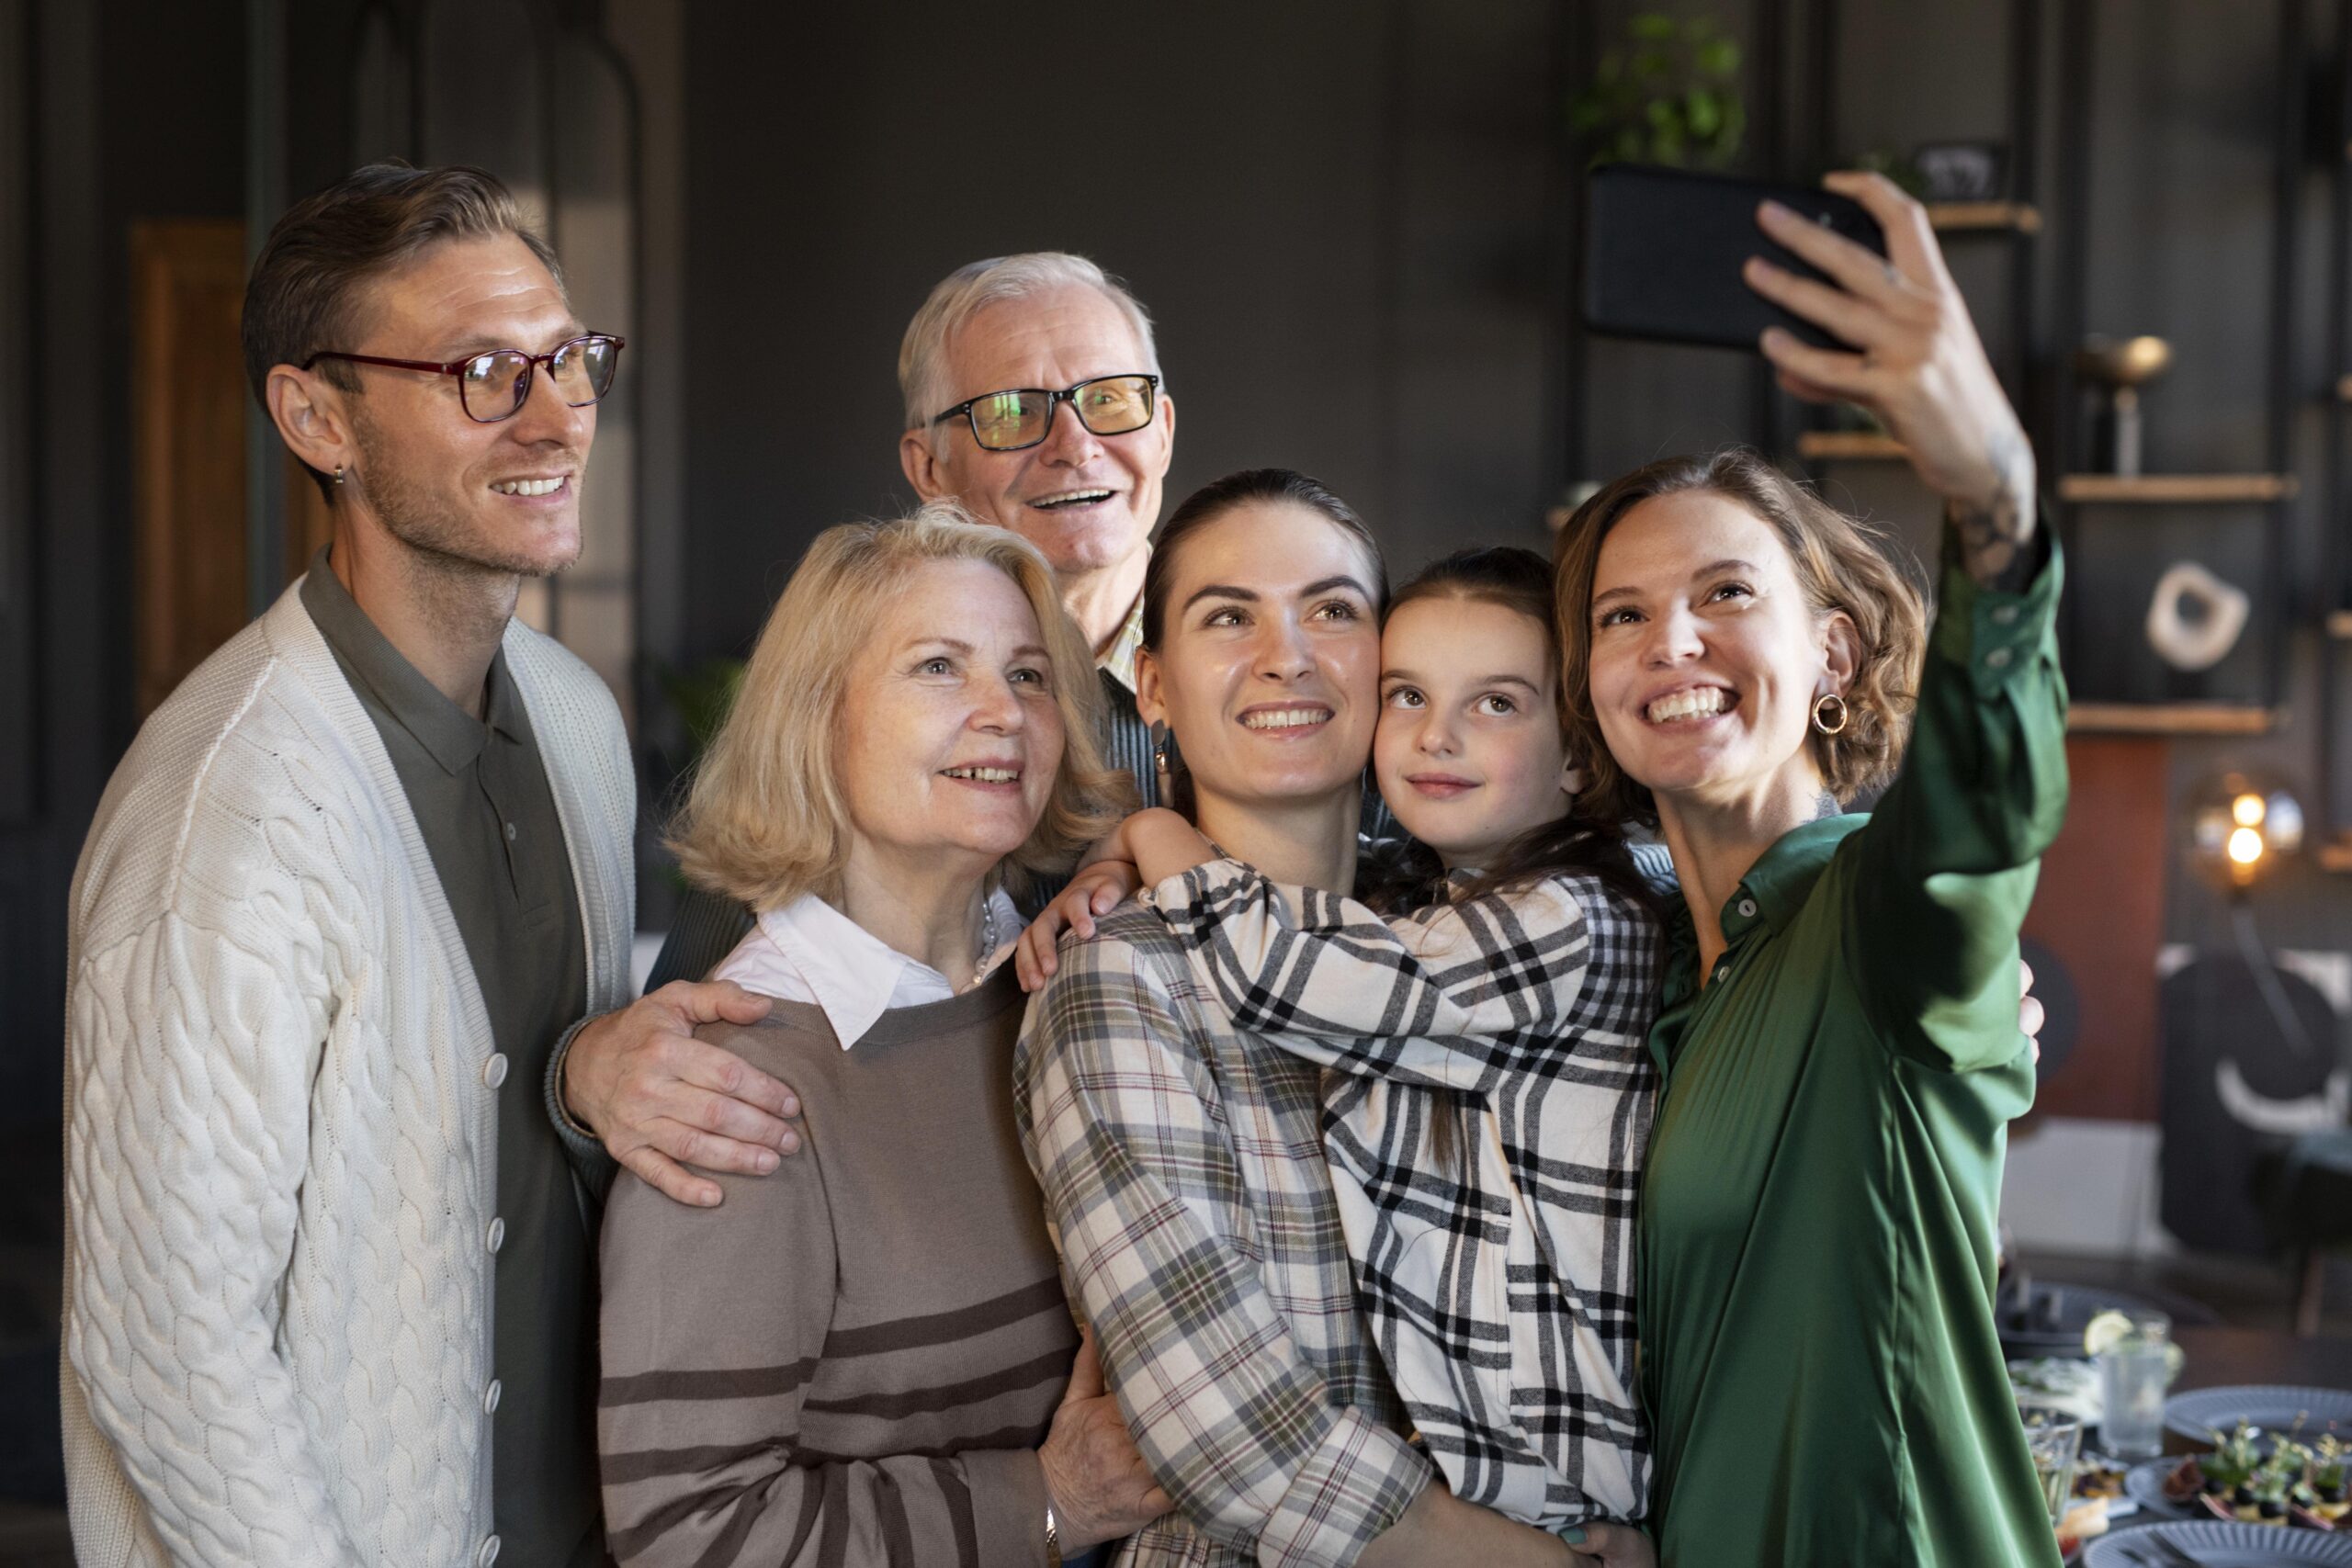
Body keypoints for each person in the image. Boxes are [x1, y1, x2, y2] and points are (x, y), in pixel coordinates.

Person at [61, 161, 667, 1567]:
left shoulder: (577, 719)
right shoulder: (229, 808)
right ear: (316, 415)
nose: (557, 414)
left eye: (569, 358)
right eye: (480, 371)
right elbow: (169, 1348)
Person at [1549, 172, 2065, 1567]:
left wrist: (1994, 497)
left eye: (1727, 593)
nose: (1673, 640)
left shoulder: (1874, 919)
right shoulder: (1664, 972)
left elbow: (1980, 819)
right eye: (1623, 614)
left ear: (1832, 654)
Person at [1016, 469, 1651, 1568]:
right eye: (1229, 617)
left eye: (1332, 611)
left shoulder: (1462, 922)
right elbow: (1236, 1436)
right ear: (1153, 686)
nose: (1288, 655)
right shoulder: (1119, 980)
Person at [595, 506, 1163, 1567]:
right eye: (939, 668)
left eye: (1030, 675)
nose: (1002, 711)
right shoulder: (735, 1087)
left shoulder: (1073, 992)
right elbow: (687, 1538)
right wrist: (1044, 1506)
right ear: (820, 720)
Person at [556, 253, 1178, 1205]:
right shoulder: (842, 720)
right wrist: (589, 1076)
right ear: (928, 466)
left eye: (1112, 400)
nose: (1075, 444)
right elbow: (680, 1046)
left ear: (1162, 426)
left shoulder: (1271, 686)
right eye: (1013, 411)